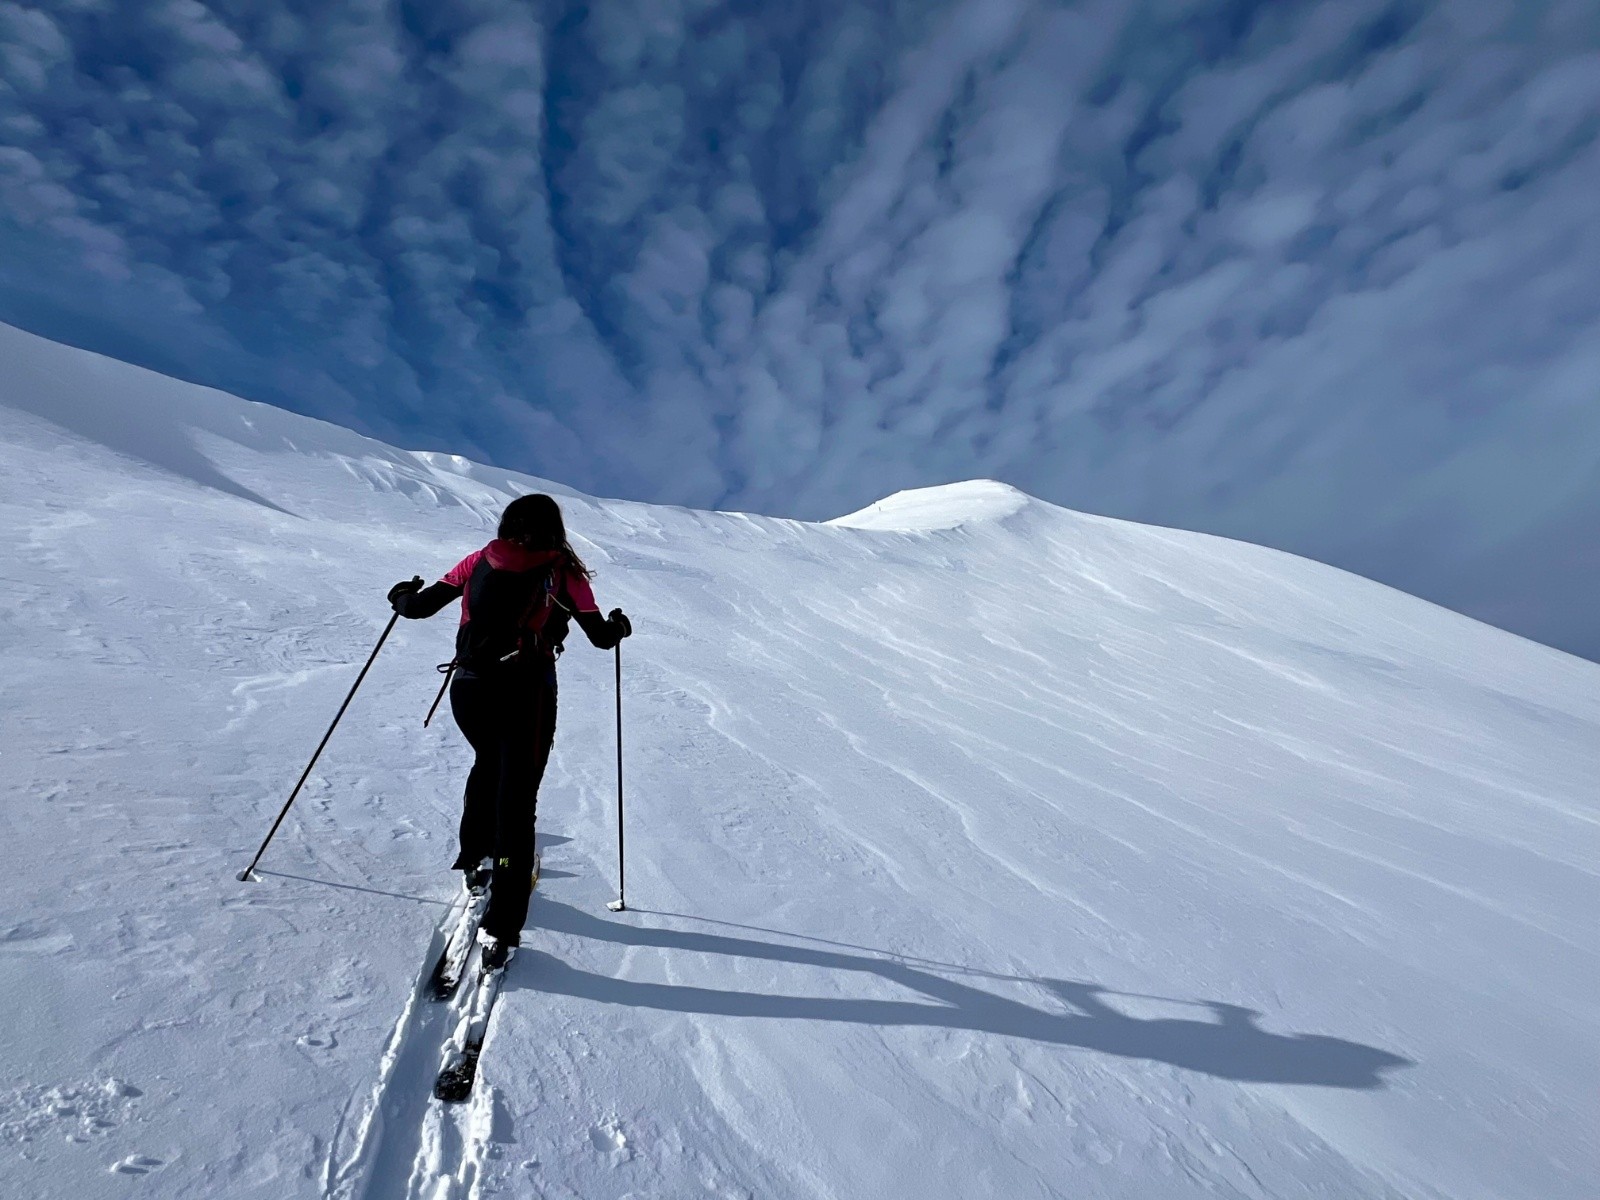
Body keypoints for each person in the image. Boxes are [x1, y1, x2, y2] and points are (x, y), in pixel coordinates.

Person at [387, 494, 631, 970]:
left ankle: (476, 860)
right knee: (517, 799)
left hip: (469, 688)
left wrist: (399, 594)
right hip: (527, 694)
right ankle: (501, 926)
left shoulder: (480, 559)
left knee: (487, 764)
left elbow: (416, 609)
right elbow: (600, 637)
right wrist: (619, 626)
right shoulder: (564, 572)